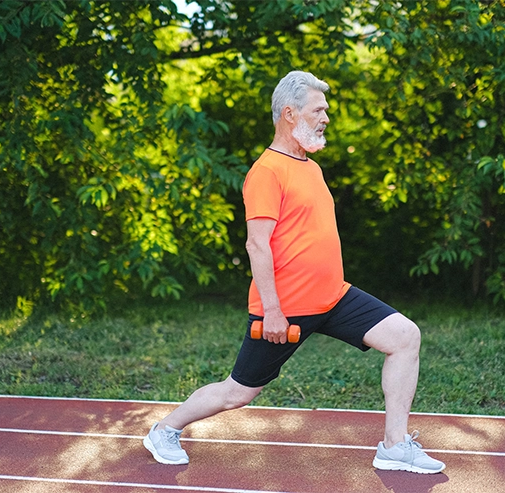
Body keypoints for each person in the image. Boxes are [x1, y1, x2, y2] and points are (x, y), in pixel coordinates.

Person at [143, 71, 445, 474]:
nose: (326, 118)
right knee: (239, 392)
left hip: (334, 296)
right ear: (290, 113)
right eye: (319, 110)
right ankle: (165, 429)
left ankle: (394, 446)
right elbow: (257, 244)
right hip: (285, 307)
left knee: (406, 336)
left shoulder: (311, 168)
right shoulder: (267, 171)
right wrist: (271, 310)